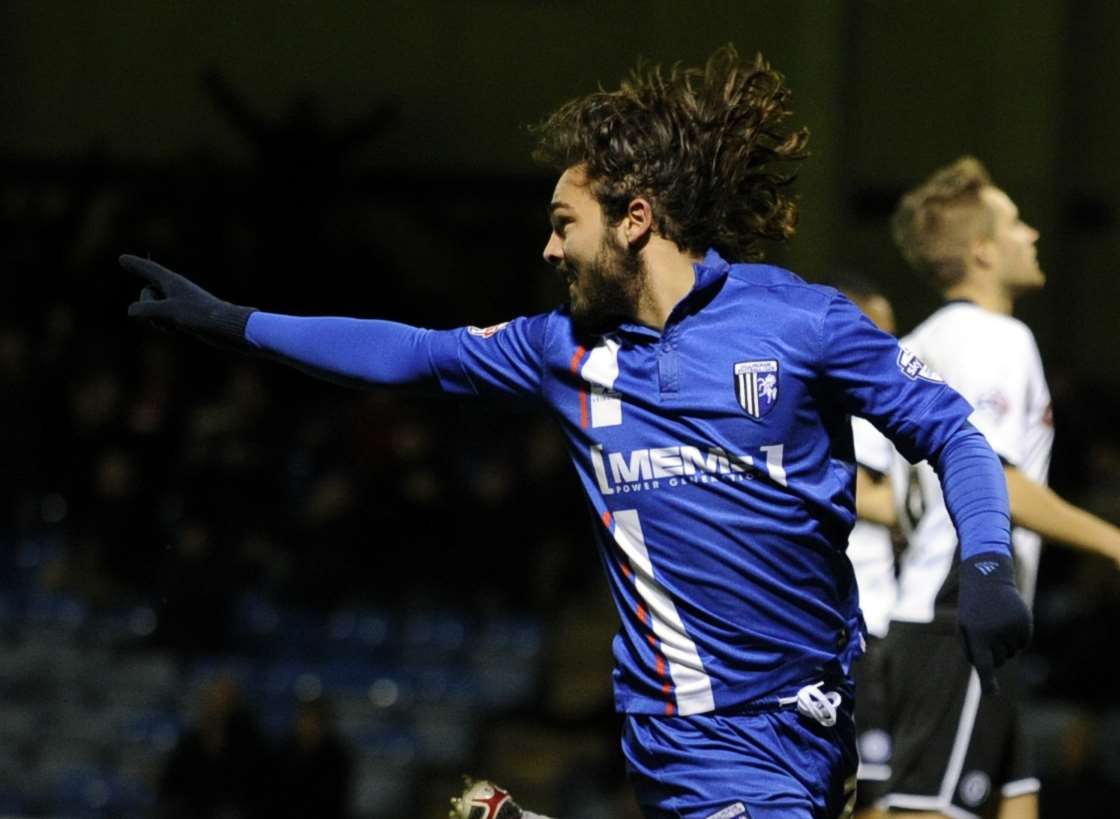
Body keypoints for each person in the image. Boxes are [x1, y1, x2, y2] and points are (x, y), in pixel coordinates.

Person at [121, 49, 1030, 819]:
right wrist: (235, 321)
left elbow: (951, 429)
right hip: (689, 729)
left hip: (815, 719)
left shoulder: (802, 323)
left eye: (565, 225)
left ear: (636, 221)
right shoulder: (562, 352)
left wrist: (986, 562)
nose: (550, 250)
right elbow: (408, 353)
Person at [880, 156, 1120, 819]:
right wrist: (1113, 541)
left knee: (1017, 803)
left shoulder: (921, 340)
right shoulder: (999, 340)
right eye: (1015, 224)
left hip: (951, 616)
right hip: (959, 614)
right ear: (982, 251)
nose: (1033, 235)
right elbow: (1001, 484)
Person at [829, 275, 902, 819]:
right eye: (883, 334)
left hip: (857, 622)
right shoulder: (854, 402)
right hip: (862, 625)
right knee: (870, 793)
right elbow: (873, 498)